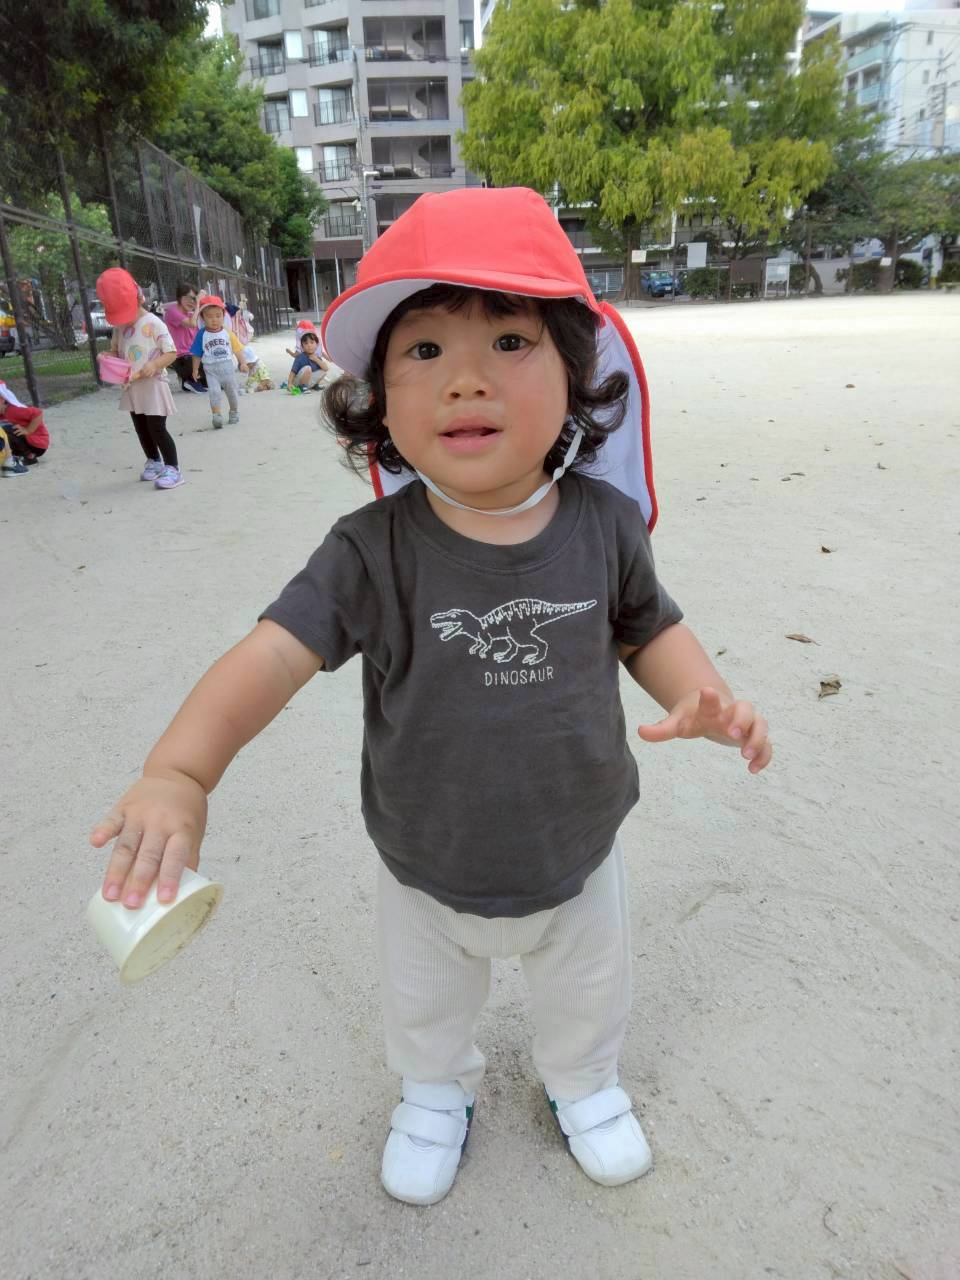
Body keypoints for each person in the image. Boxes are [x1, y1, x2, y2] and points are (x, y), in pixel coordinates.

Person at [90, 188, 772, 1209]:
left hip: (578, 847)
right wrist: (180, 770)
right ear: (381, 408)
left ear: (577, 376)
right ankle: (434, 1090)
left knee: (589, 992)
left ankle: (584, 1081)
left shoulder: (606, 523)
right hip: (424, 858)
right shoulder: (371, 549)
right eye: (423, 350)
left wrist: (702, 692)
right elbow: (269, 656)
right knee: (424, 1004)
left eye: (510, 340)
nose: (465, 377)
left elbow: (648, 628)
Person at [96, 267, 184, 490]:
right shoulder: (120, 327)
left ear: (138, 297)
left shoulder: (154, 323)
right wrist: (107, 357)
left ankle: (173, 468)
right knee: (141, 428)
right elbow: (117, 351)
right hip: (132, 386)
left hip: (153, 386)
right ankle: (154, 460)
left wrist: (153, 365)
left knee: (157, 428)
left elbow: (171, 353)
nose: (124, 318)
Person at [189, 295, 247, 429]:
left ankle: (234, 411)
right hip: (211, 370)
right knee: (214, 392)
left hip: (227, 369)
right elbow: (196, 354)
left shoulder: (228, 333)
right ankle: (217, 415)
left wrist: (242, 362)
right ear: (203, 318)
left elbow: (237, 349)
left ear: (223, 316)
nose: (214, 320)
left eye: (218, 316)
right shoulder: (201, 334)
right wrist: (195, 369)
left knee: (232, 392)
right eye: (209, 316)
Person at [164, 284, 207, 394]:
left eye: (194, 299)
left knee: (212, 380)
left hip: (193, 355)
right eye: (189, 298)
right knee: (202, 370)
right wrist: (198, 303)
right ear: (179, 297)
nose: (192, 302)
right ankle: (189, 379)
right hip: (182, 357)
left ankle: (187, 381)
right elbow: (192, 324)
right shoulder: (172, 312)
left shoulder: (191, 314)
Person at [0, 379, 49, 465]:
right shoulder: (3, 412)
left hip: (37, 443)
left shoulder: (13, 409)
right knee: (3, 430)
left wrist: (28, 430)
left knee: (6, 430)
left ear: (3, 399)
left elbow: (38, 413)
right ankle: (14, 456)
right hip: (28, 442)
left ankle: (29, 456)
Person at [285, 324, 329, 392]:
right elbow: (293, 372)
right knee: (308, 368)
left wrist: (316, 359)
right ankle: (302, 387)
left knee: (323, 370)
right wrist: (289, 383)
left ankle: (314, 385)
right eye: (306, 343)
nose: (309, 345)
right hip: (298, 382)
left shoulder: (316, 356)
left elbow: (326, 369)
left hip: (308, 381)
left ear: (317, 344)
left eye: (312, 342)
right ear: (302, 347)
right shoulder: (300, 357)